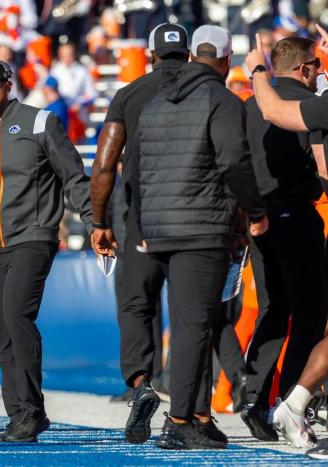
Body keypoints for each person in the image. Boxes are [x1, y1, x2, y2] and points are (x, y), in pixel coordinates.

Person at [0, 58, 93, 443]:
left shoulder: (40, 122)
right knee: (2, 329)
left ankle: (26, 410)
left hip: (34, 235)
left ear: (8, 84)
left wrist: (94, 221)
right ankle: (25, 413)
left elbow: (73, 176)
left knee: (15, 314)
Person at [135, 25, 268, 450]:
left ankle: (198, 415)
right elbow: (233, 161)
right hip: (201, 224)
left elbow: (134, 167)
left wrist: (143, 223)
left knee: (199, 318)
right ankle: (179, 422)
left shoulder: (155, 101)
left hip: (159, 225)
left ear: (193, 55)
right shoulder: (221, 99)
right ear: (227, 61)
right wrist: (254, 213)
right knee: (196, 324)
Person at [90, 22, 188, 445]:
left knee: (135, 305)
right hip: (193, 219)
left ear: (150, 56)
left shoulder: (128, 94)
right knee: (191, 314)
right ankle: (189, 405)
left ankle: (141, 381)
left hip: (142, 218)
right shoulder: (208, 91)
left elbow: (104, 165)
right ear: (186, 54)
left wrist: (99, 221)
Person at [241, 36, 326, 443]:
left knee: (273, 309)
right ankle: (291, 401)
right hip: (295, 214)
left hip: (258, 219)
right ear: (304, 68)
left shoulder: (244, 107)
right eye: (316, 65)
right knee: (309, 315)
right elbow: (322, 167)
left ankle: (253, 394)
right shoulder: (305, 107)